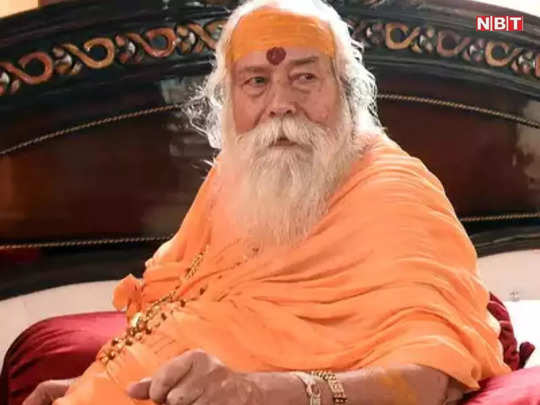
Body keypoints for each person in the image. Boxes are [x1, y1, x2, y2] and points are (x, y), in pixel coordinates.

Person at [23, 0, 510, 404]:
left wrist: (256, 391)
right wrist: (95, 384)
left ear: (346, 91)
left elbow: (429, 376)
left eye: (305, 78)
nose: (280, 104)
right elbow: (188, 308)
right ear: (229, 99)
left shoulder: (393, 191)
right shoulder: (237, 175)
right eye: (256, 81)